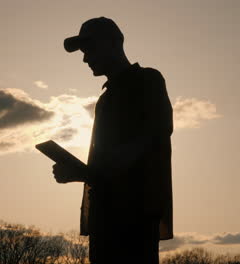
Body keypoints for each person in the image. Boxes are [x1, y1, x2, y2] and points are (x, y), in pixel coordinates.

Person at [52, 17, 174, 263]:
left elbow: (152, 137)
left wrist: (87, 172)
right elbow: (108, 163)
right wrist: (80, 173)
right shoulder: (105, 100)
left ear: (113, 43)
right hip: (105, 216)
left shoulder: (148, 80)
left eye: (90, 49)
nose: (85, 59)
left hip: (135, 214)